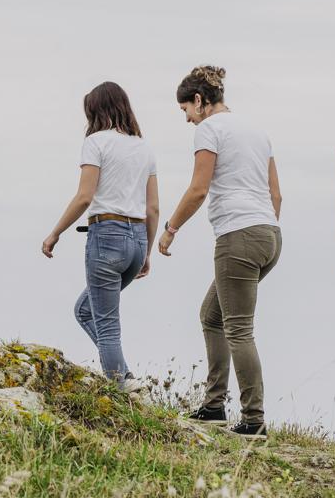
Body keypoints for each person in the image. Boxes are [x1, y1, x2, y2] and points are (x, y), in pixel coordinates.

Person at [158, 63, 281, 437]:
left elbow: (198, 188)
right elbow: (276, 194)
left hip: (238, 234)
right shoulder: (257, 132)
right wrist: (261, 223)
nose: (188, 121)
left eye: (186, 112)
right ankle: (213, 406)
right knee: (212, 316)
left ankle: (253, 420)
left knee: (238, 328)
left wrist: (170, 228)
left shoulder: (210, 130)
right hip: (270, 234)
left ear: (199, 100)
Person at [41, 80, 159, 385]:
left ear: (95, 111)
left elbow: (84, 196)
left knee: (107, 325)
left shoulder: (96, 142)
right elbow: (153, 208)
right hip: (137, 240)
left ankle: (122, 388)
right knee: (85, 310)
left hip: (107, 235)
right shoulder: (144, 147)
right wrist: (146, 254)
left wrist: (55, 233)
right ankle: (127, 376)